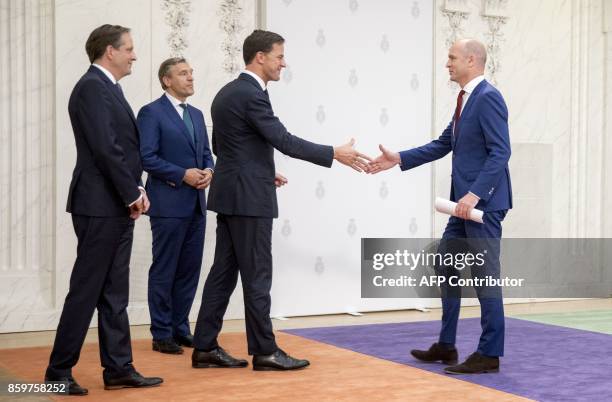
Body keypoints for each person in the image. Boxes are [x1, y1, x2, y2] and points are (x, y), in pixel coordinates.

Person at [191, 29, 371, 371]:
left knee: (222, 274)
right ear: (260, 57)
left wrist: (260, 170)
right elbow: (283, 140)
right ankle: (265, 351)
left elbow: (225, 148)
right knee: (257, 274)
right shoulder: (252, 95)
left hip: (231, 193)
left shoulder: (227, 93)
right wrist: (334, 153)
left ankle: (204, 347)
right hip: (249, 199)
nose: (283, 63)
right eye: (279, 56)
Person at [369, 38, 512, 374]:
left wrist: (474, 195)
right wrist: (399, 159)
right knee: (444, 262)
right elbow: (443, 143)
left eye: (452, 57)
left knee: (484, 276)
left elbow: (500, 152)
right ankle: (447, 346)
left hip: (482, 205)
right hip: (460, 206)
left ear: (472, 60)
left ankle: (489, 353)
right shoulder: (465, 99)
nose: (447, 63)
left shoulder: (489, 98)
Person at [44, 24, 163, 395]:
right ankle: (58, 372)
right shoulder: (92, 87)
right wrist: (132, 192)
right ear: (109, 51)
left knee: (114, 292)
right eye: (129, 48)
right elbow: (105, 148)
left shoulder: (107, 88)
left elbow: (121, 150)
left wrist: (135, 190)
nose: (134, 55)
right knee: (86, 290)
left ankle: (118, 368)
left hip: (115, 203)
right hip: (99, 204)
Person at [137, 58, 214, 355]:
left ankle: (181, 328)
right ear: (167, 80)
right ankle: (161, 333)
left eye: (191, 72)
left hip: (196, 205)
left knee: (189, 270)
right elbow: (147, 157)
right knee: (165, 269)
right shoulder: (151, 113)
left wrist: (209, 170)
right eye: (183, 74)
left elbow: (207, 154)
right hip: (168, 204)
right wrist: (182, 174)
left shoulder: (196, 114)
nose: (191, 78)